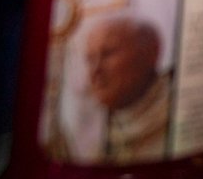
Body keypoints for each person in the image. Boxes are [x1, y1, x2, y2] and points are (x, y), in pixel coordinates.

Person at [61, 14, 170, 164]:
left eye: (107, 54)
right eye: (90, 59)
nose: (95, 70)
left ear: (150, 52)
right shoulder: (95, 136)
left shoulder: (177, 112)